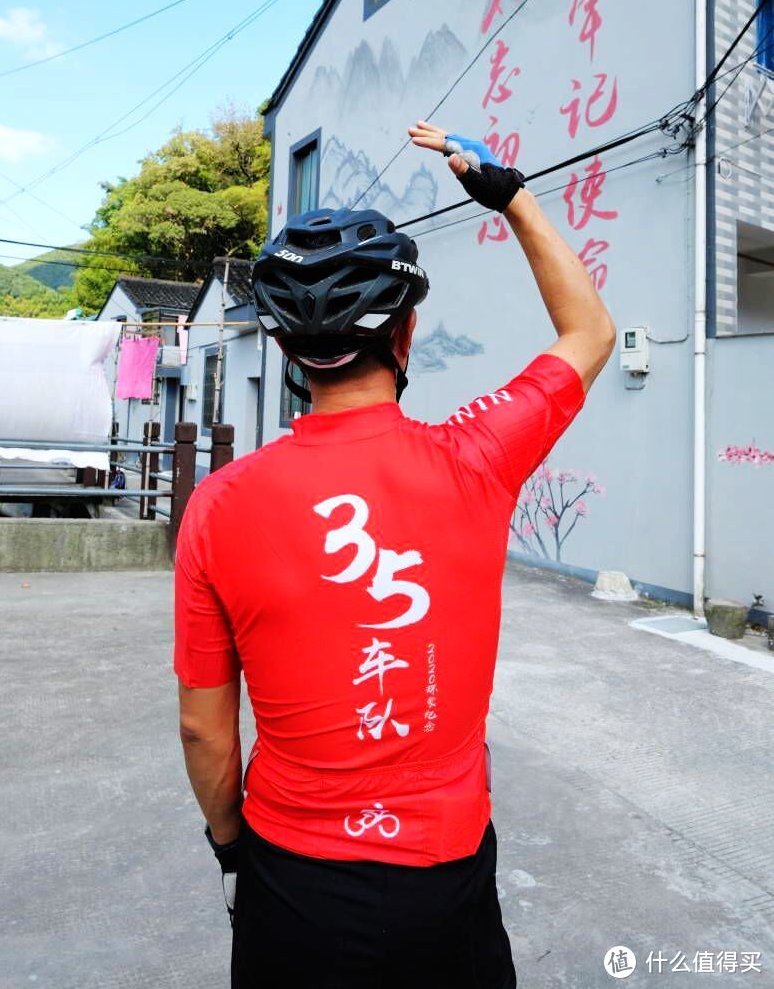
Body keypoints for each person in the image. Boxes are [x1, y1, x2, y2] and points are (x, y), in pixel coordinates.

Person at [174, 121, 616, 988]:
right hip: (443, 875)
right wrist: (509, 194)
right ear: (403, 336)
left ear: (288, 353)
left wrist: (231, 851)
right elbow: (589, 334)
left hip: (289, 877)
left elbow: (204, 727)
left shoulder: (218, 503)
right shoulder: (474, 455)